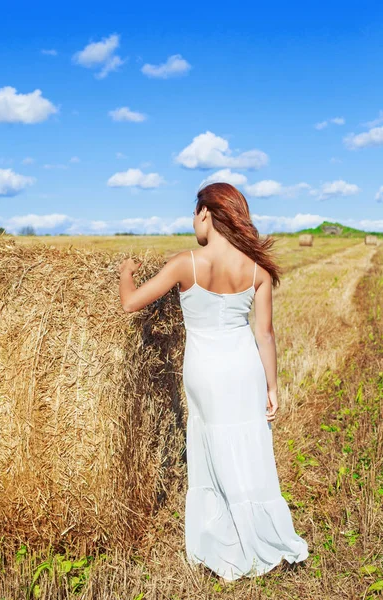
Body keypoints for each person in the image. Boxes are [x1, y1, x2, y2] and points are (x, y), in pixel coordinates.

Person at [118, 182, 309, 581]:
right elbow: (266, 335)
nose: (193, 222)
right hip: (245, 368)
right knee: (249, 447)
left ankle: (223, 536)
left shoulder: (186, 263)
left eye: (194, 214)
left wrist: (125, 273)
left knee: (212, 447)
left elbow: (130, 303)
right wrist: (272, 387)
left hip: (205, 369)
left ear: (206, 213)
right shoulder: (255, 269)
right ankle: (263, 534)